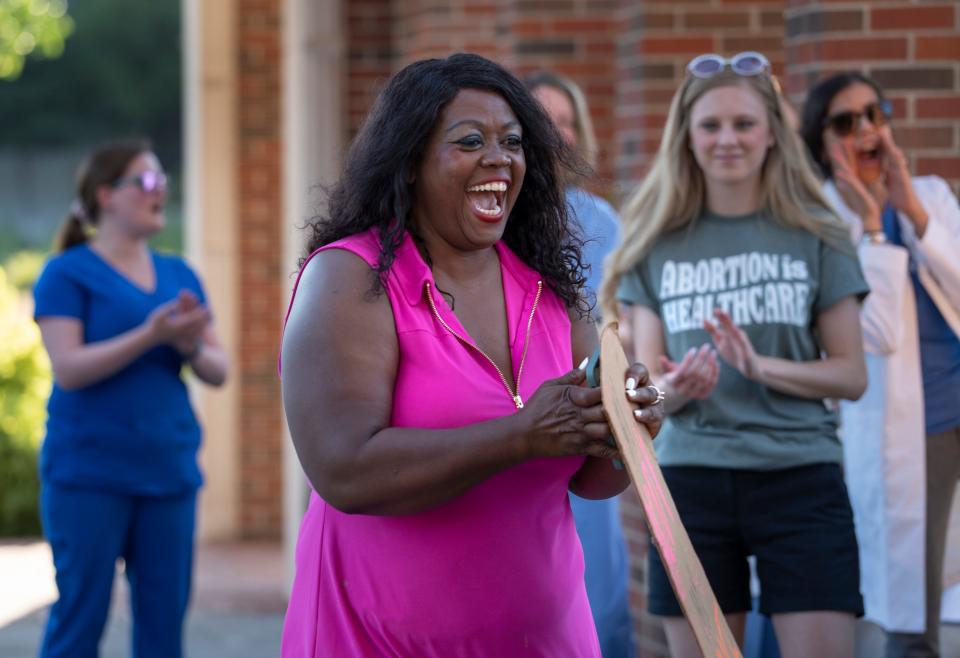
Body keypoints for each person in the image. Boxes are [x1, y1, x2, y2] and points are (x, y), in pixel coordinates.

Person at [278, 53, 664, 658]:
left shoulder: (551, 289)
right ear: (409, 163)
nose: (499, 158)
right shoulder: (351, 279)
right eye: (470, 141)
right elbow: (343, 469)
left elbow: (593, 477)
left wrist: (629, 427)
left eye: (512, 141)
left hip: (548, 637)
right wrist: (519, 435)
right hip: (380, 638)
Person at [599, 52, 870, 658]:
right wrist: (682, 389)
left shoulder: (817, 232)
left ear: (772, 132)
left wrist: (761, 368)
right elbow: (645, 396)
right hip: (691, 479)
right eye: (711, 126)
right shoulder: (653, 242)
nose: (728, 140)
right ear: (687, 138)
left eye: (743, 124)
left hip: (801, 476)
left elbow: (851, 375)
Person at [32, 140, 229, 658]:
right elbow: (69, 369)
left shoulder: (180, 274)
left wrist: (186, 343)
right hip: (88, 476)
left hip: (169, 472)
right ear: (106, 196)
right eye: (144, 180)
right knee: (79, 622)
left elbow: (218, 368)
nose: (159, 188)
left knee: (164, 630)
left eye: (162, 178)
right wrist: (151, 335)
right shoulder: (67, 273)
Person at [800, 72, 960, 658]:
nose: (867, 129)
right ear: (821, 143)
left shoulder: (932, 197)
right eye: (846, 122)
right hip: (918, 433)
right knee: (912, 599)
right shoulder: (818, 225)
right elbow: (879, 334)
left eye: (875, 114)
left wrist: (910, 210)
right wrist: (871, 226)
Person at [525, 70, 633, 658]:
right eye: (541, 119)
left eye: (565, 121)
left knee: (597, 590)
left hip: (586, 422)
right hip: (515, 427)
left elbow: (614, 328)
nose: (555, 133)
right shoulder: (494, 218)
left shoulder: (601, 222)